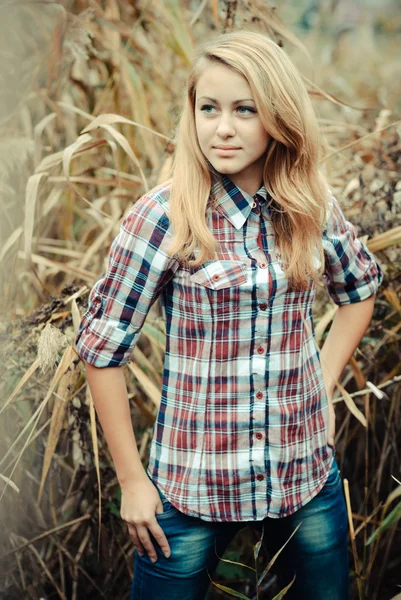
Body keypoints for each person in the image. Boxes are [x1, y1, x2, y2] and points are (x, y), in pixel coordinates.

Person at [75, 30, 383, 600]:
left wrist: (322, 385)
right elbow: (102, 349)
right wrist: (132, 483)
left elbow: (359, 290)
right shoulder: (165, 217)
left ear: (278, 116)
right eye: (208, 108)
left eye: (245, 110)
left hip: (303, 472)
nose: (223, 127)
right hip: (194, 485)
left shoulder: (312, 206)